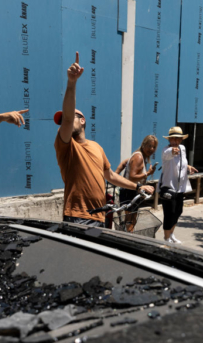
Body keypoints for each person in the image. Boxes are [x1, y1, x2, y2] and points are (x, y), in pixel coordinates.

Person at [54, 52, 154, 227]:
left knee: (96, 255)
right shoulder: (66, 146)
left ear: (83, 120)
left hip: (100, 216)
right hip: (78, 217)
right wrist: (71, 82)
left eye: (70, 117)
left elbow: (111, 176)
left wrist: (137, 187)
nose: (65, 122)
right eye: (62, 121)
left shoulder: (96, 147)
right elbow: (68, 119)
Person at [159, 127, 198, 244]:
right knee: (169, 213)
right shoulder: (166, 150)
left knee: (178, 211)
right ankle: (166, 239)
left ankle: (171, 234)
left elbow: (183, 162)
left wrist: (189, 167)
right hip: (168, 186)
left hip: (180, 187)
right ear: (169, 139)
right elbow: (168, 155)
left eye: (178, 139)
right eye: (173, 139)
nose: (176, 141)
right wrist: (172, 151)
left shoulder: (183, 148)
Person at [115, 135, 158, 231]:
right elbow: (132, 177)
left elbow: (123, 163)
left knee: (130, 220)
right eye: (149, 146)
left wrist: (115, 176)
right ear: (143, 145)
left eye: (154, 147)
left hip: (130, 190)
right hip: (130, 191)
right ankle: (127, 240)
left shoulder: (137, 154)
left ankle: (127, 237)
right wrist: (147, 173)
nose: (151, 149)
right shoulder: (139, 157)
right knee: (130, 221)